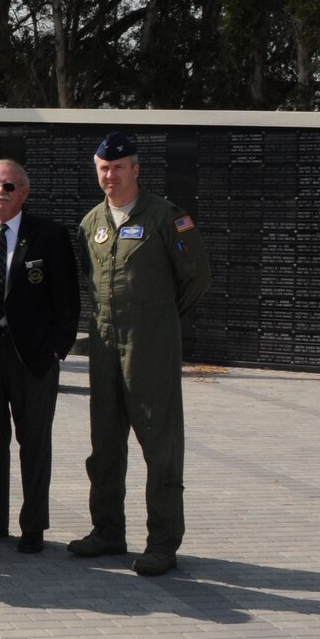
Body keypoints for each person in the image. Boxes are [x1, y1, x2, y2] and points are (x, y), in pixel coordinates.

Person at [72, 132, 212, 576]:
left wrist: (160, 319)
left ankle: (163, 543)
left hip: (150, 347)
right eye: (103, 169)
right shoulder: (91, 222)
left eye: (118, 168)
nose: (110, 176)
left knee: (160, 445)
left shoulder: (167, 218)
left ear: (136, 169)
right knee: (105, 444)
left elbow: (196, 277)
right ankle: (108, 530)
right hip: (104, 344)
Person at [0, 159, 80, 554]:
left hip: (32, 357)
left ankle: (33, 526)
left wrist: (56, 349)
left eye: (9, 186)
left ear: (24, 193)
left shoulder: (48, 235)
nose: (0, 192)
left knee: (34, 443)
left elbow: (68, 300)